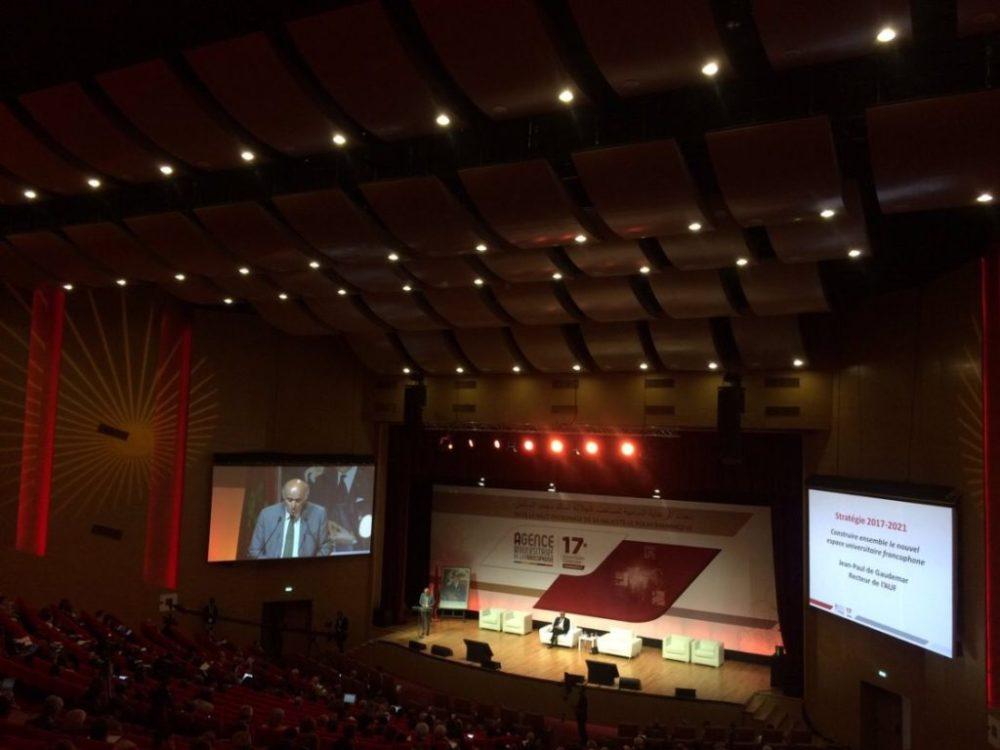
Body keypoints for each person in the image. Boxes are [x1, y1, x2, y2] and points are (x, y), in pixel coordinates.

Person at [247, 479, 334, 559]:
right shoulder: (267, 515)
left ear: (306, 497)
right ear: (283, 496)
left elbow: (326, 545)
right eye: (289, 500)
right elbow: (254, 550)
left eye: (298, 500)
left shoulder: (318, 514)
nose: (293, 505)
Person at [305, 465, 373, 553]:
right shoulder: (320, 481)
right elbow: (310, 518)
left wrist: (354, 540)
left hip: (362, 552)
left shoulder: (372, 478)